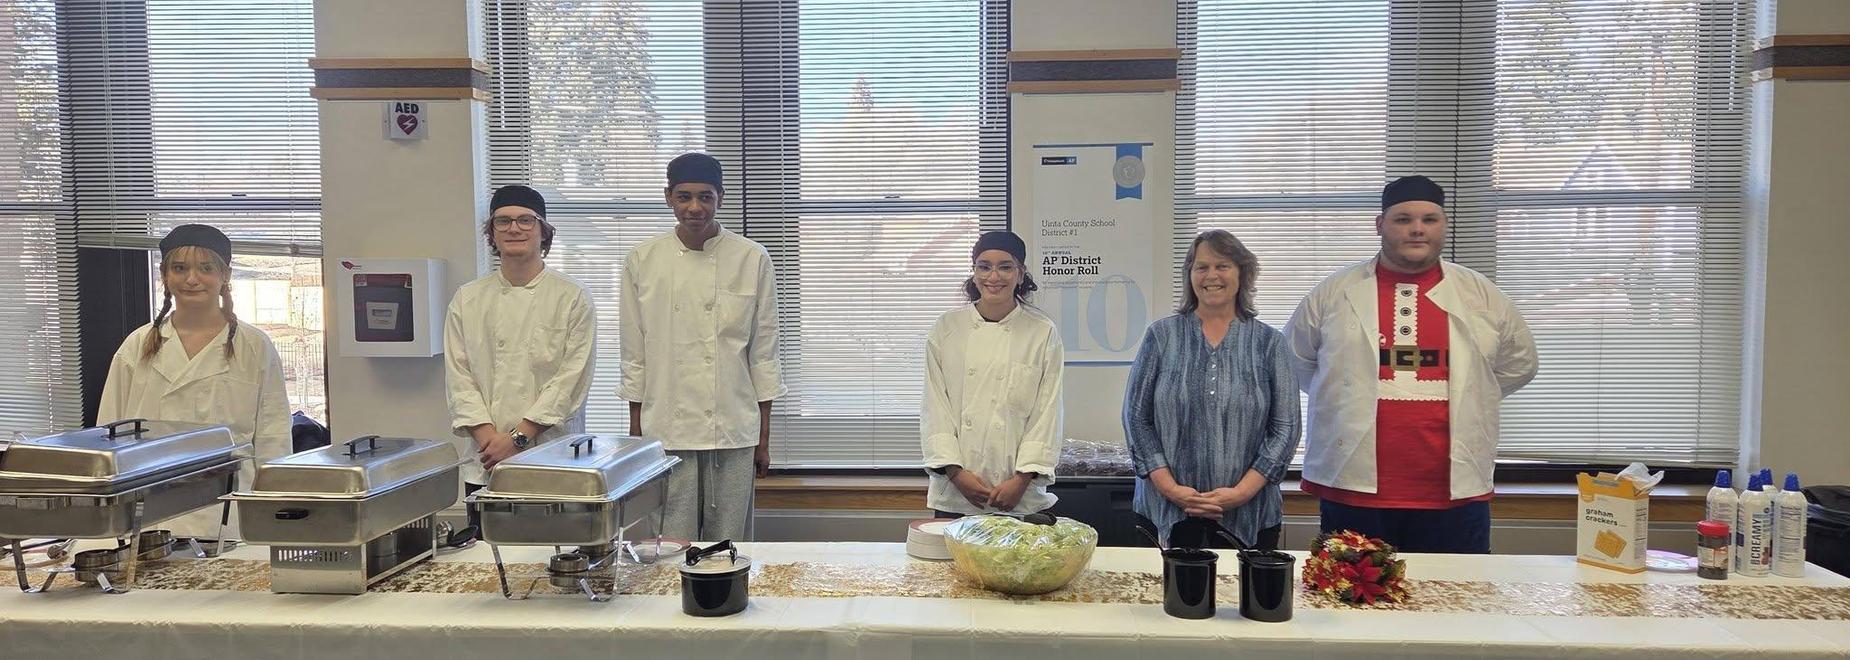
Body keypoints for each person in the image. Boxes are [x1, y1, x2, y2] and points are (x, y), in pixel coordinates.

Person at [1284, 175, 1538, 553]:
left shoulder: (1482, 294)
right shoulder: (1333, 294)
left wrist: (1469, 394)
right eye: (1403, 219)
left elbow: (1520, 363)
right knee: (1351, 602)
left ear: (1444, 226)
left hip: (1455, 495)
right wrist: (1349, 393)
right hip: (1353, 489)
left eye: (1429, 219)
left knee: (1455, 603)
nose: (1417, 229)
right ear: (1380, 225)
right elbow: (1295, 361)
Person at [621, 153, 785, 542]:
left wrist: (764, 440)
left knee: (728, 546)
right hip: (666, 430)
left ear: (720, 198)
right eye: (684, 197)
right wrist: (635, 436)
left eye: (705, 197)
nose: (695, 208)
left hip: (733, 428)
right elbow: (634, 356)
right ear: (668, 198)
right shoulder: (643, 260)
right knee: (670, 545)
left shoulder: (751, 258)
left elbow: (764, 356)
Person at [98, 224, 291, 540]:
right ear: (165, 275)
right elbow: (108, 435)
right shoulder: (137, 346)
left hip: (227, 515)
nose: (191, 279)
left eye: (205, 268)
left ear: (224, 275)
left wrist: (276, 515)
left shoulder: (254, 346)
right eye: (180, 268)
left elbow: (273, 438)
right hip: (148, 513)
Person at [1124, 230, 1301, 550]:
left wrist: (1242, 492)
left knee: (1246, 599)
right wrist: (1171, 489)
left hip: (1249, 514)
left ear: (1242, 273)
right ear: (1190, 274)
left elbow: (1285, 429)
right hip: (1167, 513)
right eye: (1201, 267)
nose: (1211, 276)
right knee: (1166, 599)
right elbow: (1136, 418)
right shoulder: (1161, 337)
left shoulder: (1269, 343)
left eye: (1223, 266)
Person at [444, 185, 597, 534]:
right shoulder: (468, 299)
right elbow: (458, 376)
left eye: (526, 221)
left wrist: (517, 439)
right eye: (504, 221)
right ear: (492, 235)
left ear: (544, 232)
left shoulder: (572, 297)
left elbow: (571, 379)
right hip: (485, 460)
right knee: (487, 562)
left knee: (555, 558)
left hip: (553, 456)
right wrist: (490, 440)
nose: (515, 228)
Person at [921, 231, 1064, 518]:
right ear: (974, 274)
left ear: (1021, 274)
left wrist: (1021, 480)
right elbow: (935, 407)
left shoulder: (1042, 332)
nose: (993, 276)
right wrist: (955, 473)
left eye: (1005, 266)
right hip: (956, 494)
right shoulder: (947, 329)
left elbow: (1047, 412)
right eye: (984, 266)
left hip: (1016, 495)